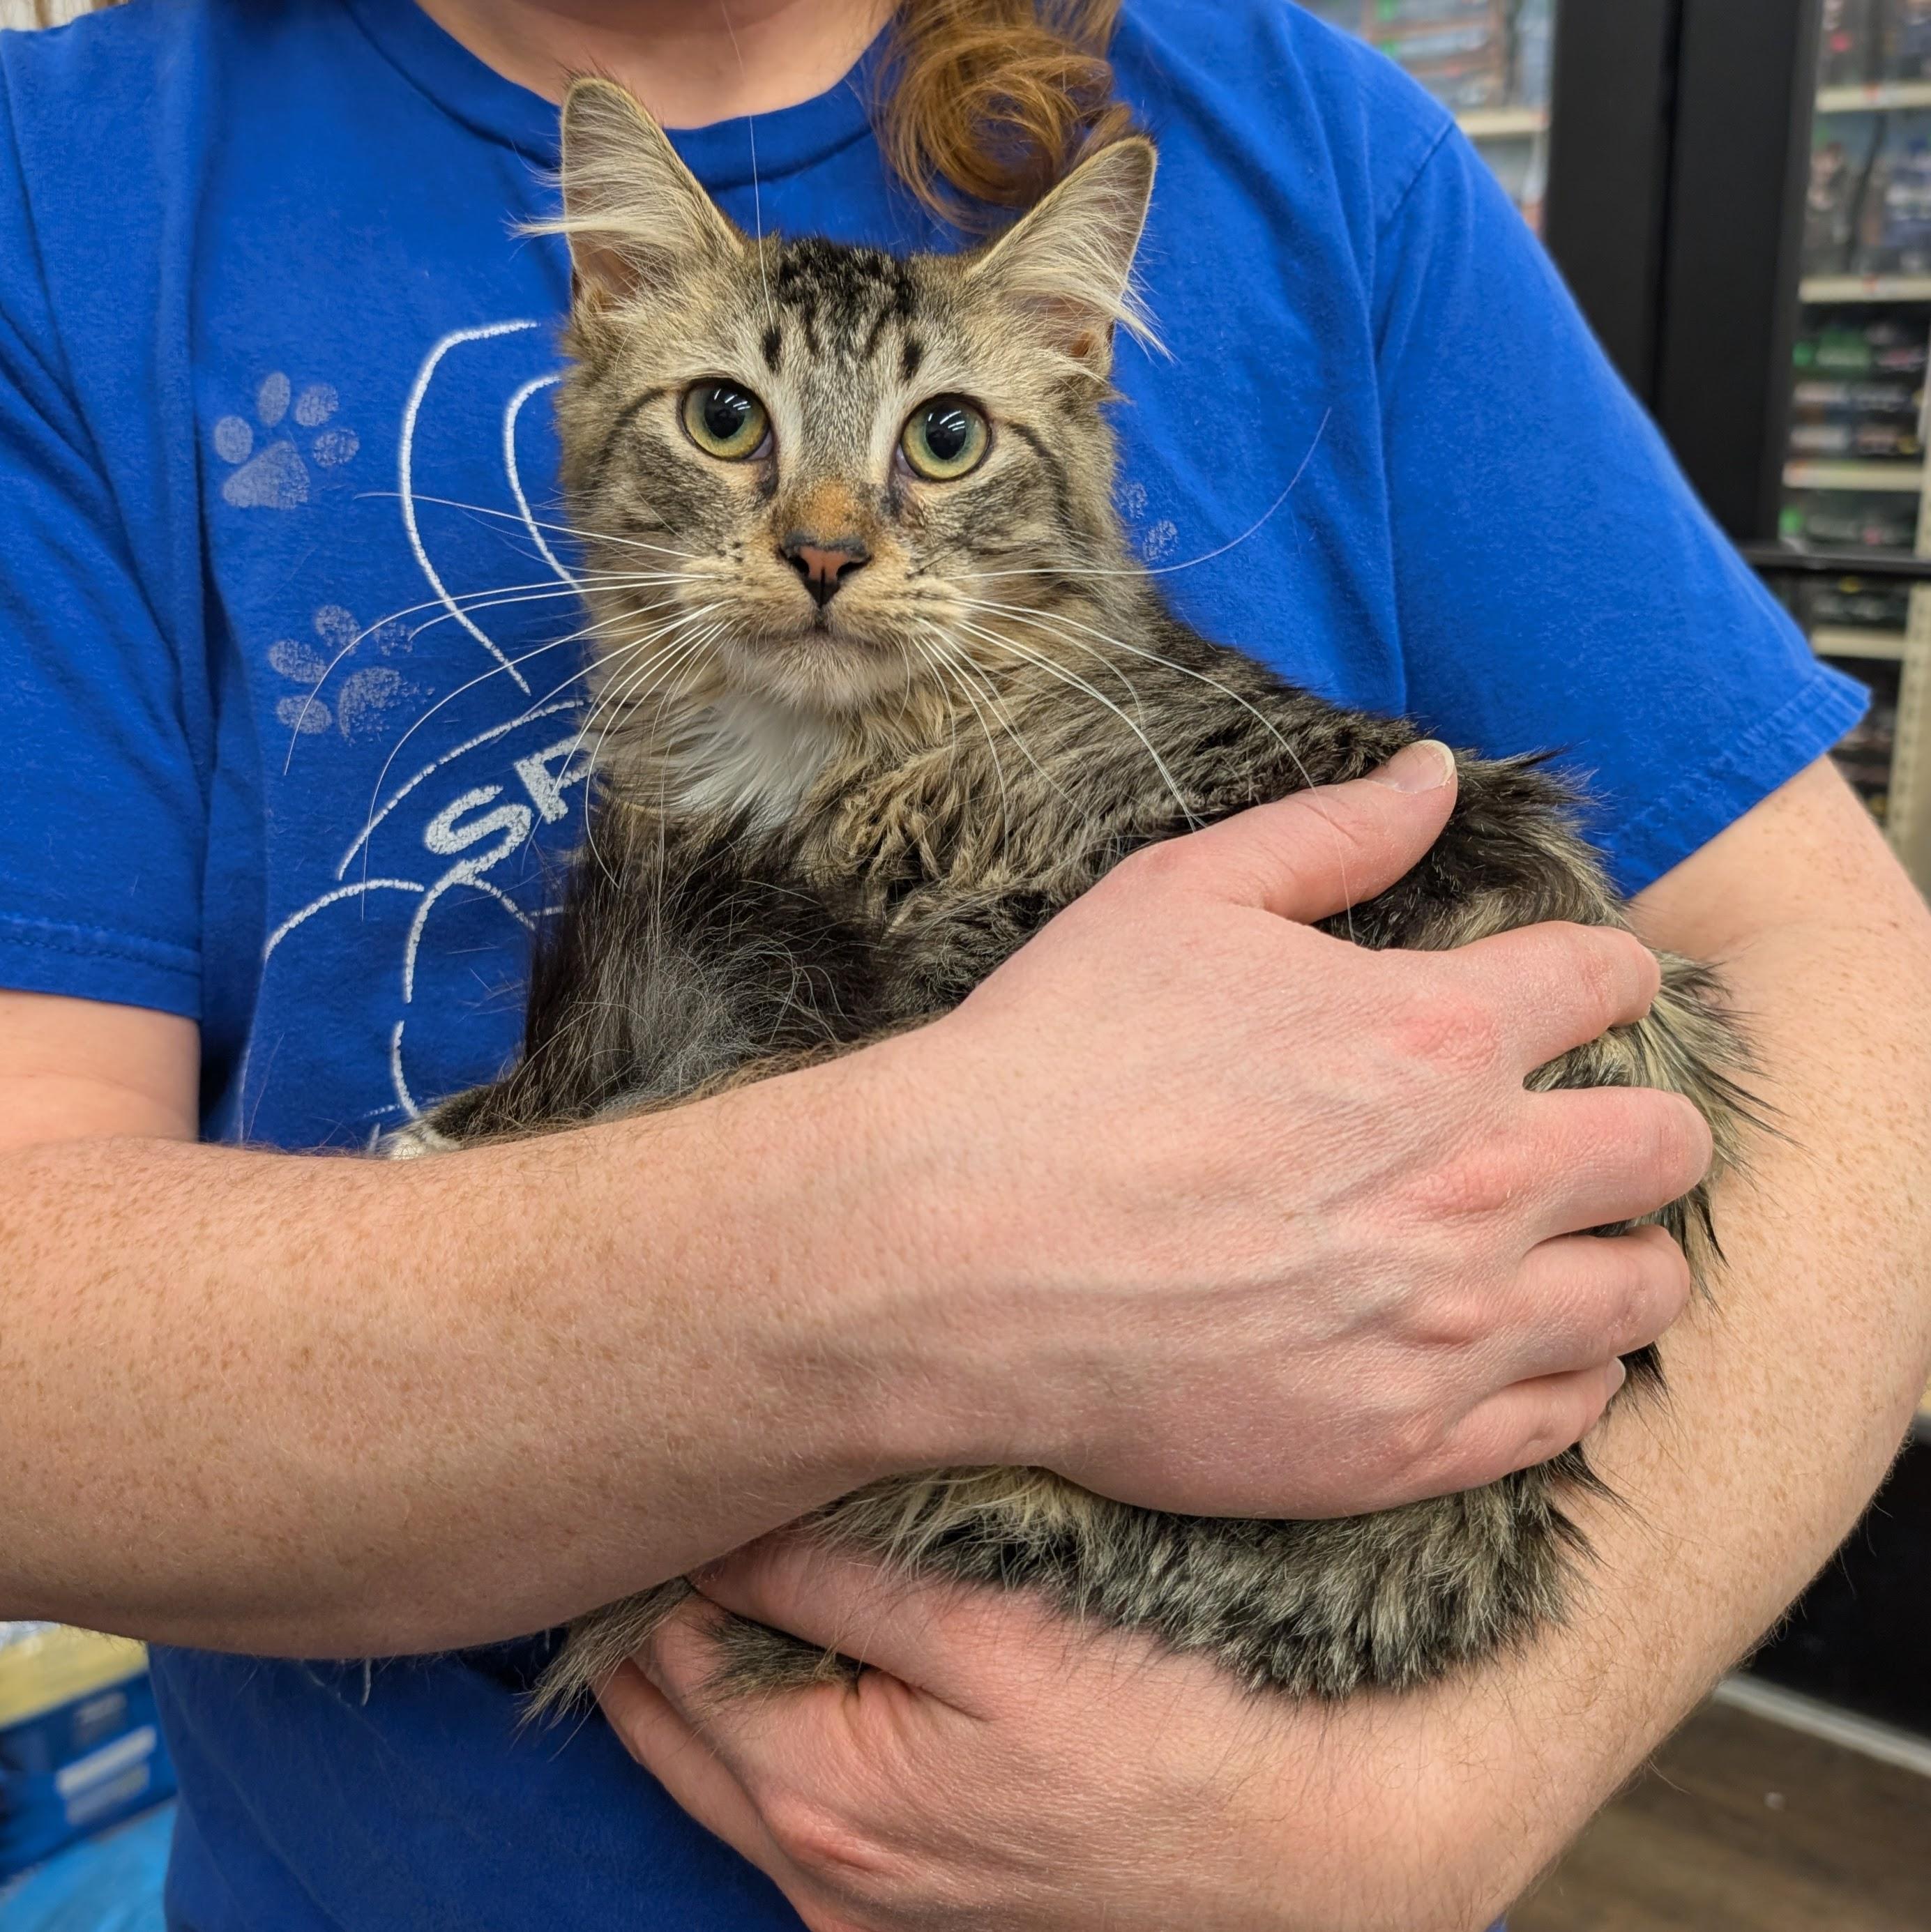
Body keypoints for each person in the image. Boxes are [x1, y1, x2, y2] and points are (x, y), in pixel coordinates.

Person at [0, 1, 1925, 1927]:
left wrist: (1427, 1805)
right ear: (595, 342)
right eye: (728, 418)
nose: (829, 532)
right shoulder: (67, 176)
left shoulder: (1307, 132)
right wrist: (918, 1244)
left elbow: (1857, 1000)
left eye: (942, 441)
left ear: (1074, 395)